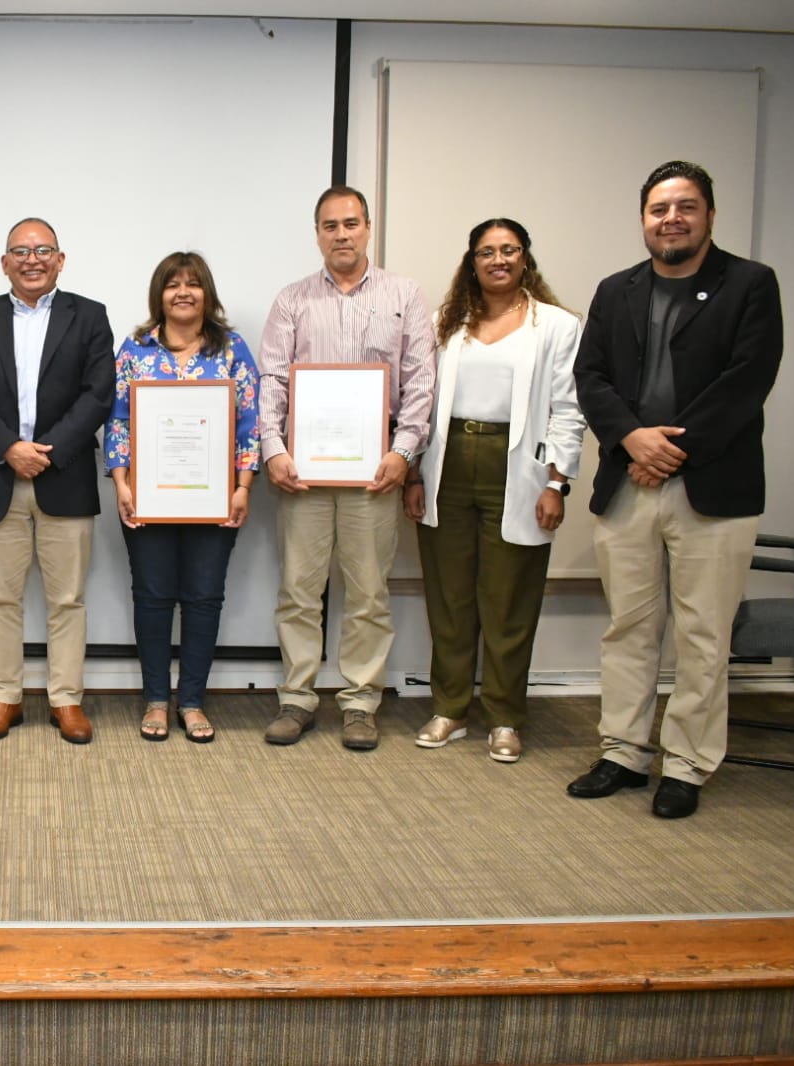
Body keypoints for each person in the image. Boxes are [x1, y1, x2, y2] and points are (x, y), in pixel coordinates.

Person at [568, 160, 783, 819]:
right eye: (659, 209)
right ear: (642, 220)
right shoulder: (615, 290)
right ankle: (624, 753)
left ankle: (686, 765)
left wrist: (670, 450)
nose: (671, 219)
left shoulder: (748, 284)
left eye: (685, 206)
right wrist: (633, 440)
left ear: (708, 215)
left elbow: (748, 379)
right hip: (628, 483)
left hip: (711, 488)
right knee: (628, 629)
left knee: (700, 634)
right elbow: (591, 377)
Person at [256, 185, 436, 751]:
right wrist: (273, 449)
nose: (342, 234)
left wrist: (402, 454)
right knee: (298, 591)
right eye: (330, 225)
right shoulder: (292, 301)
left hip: (375, 469)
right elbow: (273, 381)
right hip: (302, 473)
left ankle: (360, 702)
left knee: (367, 593)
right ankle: (297, 698)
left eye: (351, 224)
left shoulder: (405, 296)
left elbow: (420, 384)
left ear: (368, 228)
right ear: (317, 233)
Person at [402, 218, 585, 763]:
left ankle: (505, 716)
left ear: (525, 258)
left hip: (519, 468)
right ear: (472, 261)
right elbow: (420, 401)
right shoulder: (444, 322)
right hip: (448, 462)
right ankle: (450, 708)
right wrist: (414, 473)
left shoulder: (555, 325)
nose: (498, 259)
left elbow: (569, 411)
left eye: (509, 250)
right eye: (487, 251)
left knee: (509, 600)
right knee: (450, 597)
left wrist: (557, 482)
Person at [0, 218, 115, 745]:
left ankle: (66, 700)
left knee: (67, 598)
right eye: (20, 251)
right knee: (1, 598)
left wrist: (46, 452)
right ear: (5, 263)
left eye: (43, 250)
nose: (32, 259)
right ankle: (4, 698)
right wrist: (8, 448)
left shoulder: (89, 316)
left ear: (61, 260)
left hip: (63, 476)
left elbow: (98, 394)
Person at [105, 252, 261, 743]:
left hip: (213, 502)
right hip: (148, 499)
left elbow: (249, 422)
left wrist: (242, 488)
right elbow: (118, 419)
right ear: (160, 294)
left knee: (203, 599)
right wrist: (121, 483)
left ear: (207, 293)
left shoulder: (231, 349)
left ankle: (191, 701)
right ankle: (156, 699)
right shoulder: (135, 348)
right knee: (151, 598)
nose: (183, 292)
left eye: (193, 284)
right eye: (173, 284)